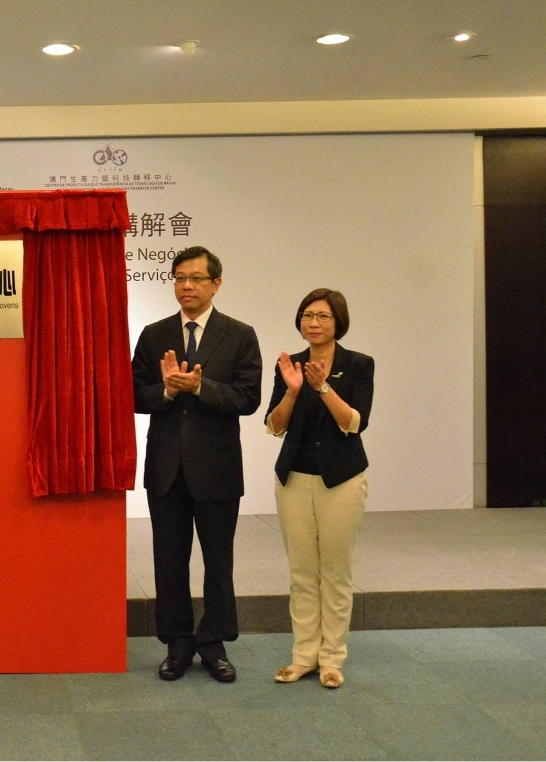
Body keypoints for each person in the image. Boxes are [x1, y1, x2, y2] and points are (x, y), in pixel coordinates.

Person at [132, 246, 262, 683]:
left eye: (196, 279)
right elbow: (132, 393)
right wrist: (168, 391)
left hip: (217, 468)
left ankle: (214, 644)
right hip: (166, 469)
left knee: (217, 563)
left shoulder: (239, 335)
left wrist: (201, 387)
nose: (186, 286)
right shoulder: (154, 334)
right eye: (180, 278)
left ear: (216, 284)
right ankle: (177, 645)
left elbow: (248, 398)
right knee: (169, 562)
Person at [265, 288, 373, 689]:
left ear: (338, 322)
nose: (314, 323)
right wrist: (293, 391)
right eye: (307, 315)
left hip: (341, 480)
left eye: (323, 316)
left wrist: (324, 387)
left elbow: (355, 423)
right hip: (293, 478)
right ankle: (303, 657)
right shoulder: (289, 364)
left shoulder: (358, 364)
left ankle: (331, 659)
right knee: (302, 573)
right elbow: (274, 425)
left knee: (335, 572)